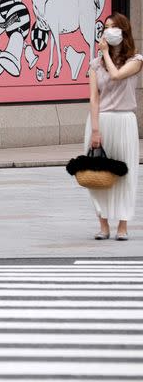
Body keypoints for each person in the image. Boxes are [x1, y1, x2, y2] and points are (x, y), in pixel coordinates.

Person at [85, 13, 142, 241]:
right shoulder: (95, 64)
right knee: (98, 172)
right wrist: (95, 130)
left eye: (114, 27)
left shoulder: (136, 60)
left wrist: (106, 53)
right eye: (106, 27)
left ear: (124, 31)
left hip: (125, 120)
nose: (109, 31)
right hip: (101, 121)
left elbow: (117, 75)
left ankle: (123, 225)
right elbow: (93, 98)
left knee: (125, 174)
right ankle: (103, 224)